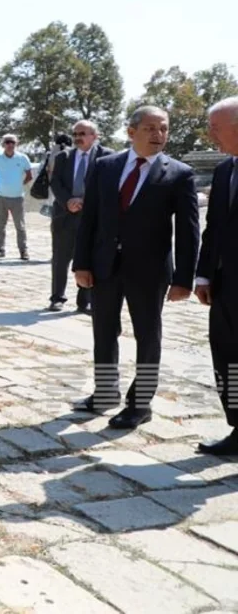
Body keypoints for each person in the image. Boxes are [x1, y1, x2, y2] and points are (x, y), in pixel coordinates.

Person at [72, 106, 199, 429]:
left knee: (148, 335)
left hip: (150, 271)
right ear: (131, 132)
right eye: (150, 129)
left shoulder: (178, 174)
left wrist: (185, 278)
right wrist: (82, 263)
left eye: (164, 129)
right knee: (103, 331)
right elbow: (90, 219)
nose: (158, 135)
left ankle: (140, 404)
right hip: (104, 266)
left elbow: (188, 230)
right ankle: (105, 392)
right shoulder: (105, 167)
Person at [194, 97, 238, 456]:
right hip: (225, 288)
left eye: (215, 127)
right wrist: (204, 275)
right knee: (228, 359)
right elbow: (214, 228)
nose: (210, 135)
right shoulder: (224, 171)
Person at [48, 120, 112, 313]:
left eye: (83, 134)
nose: (78, 138)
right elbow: (55, 183)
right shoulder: (63, 157)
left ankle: (85, 300)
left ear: (95, 136)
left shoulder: (107, 157)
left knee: (88, 258)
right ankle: (57, 297)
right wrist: (67, 201)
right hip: (65, 216)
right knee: (60, 258)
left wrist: (86, 201)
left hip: (92, 217)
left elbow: (109, 185)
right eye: (75, 134)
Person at [0, 135, 33, 260]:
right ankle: (0, 249)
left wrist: (19, 185)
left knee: (20, 225)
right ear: (3, 144)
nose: (10, 144)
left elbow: (29, 176)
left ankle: (23, 250)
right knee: (0, 224)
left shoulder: (23, 158)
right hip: (0, 196)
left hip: (17, 197)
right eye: (7, 142)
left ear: (16, 144)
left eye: (12, 142)